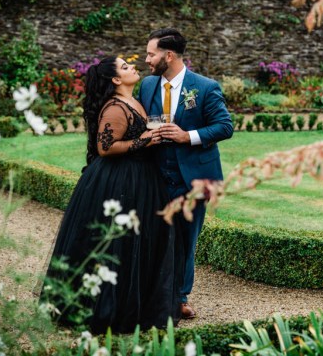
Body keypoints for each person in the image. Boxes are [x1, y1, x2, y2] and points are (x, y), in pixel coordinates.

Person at [41, 56, 183, 334]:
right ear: (116, 80)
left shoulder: (134, 100)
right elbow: (105, 147)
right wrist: (145, 140)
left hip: (141, 176)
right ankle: (107, 309)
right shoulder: (116, 107)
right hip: (120, 180)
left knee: (135, 244)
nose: (133, 67)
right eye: (125, 67)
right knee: (116, 246)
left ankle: (134, 305)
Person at [139, 28, 233, 319]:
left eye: (151, 54)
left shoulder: (204, 87)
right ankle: (151, 294)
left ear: (168, 55)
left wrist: (187, 135)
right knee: (152, 237)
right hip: (154, 175)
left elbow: (224, 126)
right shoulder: (146, 85)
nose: (146, 59)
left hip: (193, 178)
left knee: (185, 240)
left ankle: (179, 297)